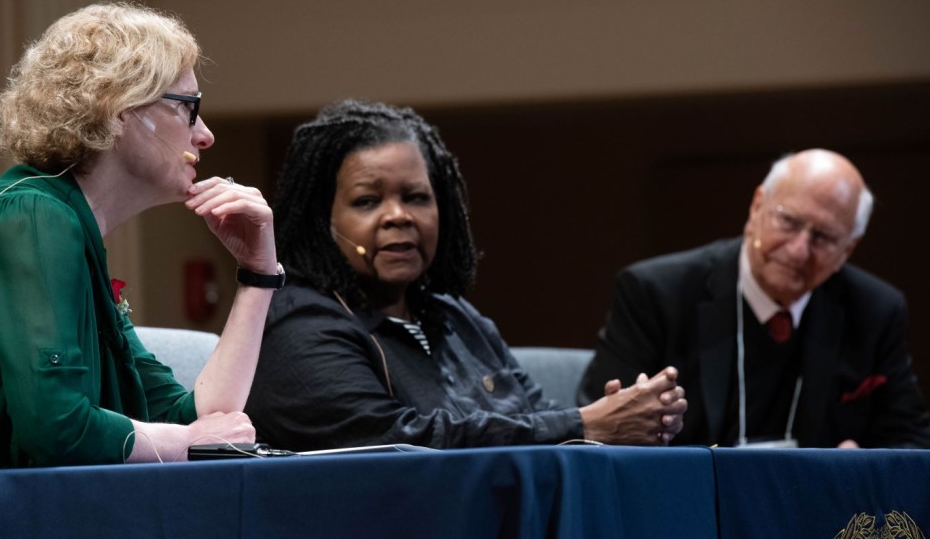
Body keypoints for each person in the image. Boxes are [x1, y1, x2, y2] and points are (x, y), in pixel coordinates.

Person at [0, 3, 284, 537]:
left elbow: (198, 419)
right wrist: (183, 444)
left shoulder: (67, 227)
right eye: (189, 107)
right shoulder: (30, 214)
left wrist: (258, 273)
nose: (205, 134)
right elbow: (56, 428)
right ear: (120, 109)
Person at [244, 100, 686, 451]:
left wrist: (630, 421)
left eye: (416, 197)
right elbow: (401, 442)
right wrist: (585, 424)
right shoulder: (297, 324)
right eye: (367, 201)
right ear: (322, 220)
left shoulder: (455, 317)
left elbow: (537, 414)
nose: (399, 216)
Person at [577, 149, 930, 448]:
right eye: (788, 221)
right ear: (757, 206)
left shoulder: (875, 311)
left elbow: (912, 441)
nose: (798, 250)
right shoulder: (655, 293)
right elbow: (598, 430)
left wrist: (863, 465)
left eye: (822, 237)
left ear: (847, 250)